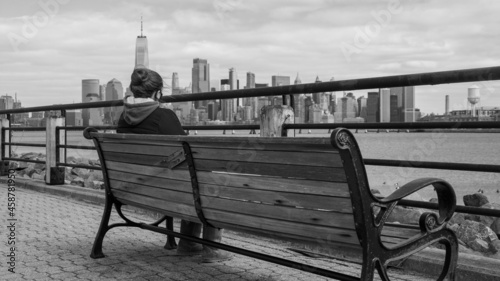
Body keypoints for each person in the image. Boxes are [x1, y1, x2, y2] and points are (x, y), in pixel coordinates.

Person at [117, 68, 231, 262]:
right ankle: (210, 249)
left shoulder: (122, 118)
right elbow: (188, 152)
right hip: (164, 191)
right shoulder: (164, 116)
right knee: (206, 180)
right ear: (157, 92)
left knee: (191, 181)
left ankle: (189, 244)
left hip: (132, 188)